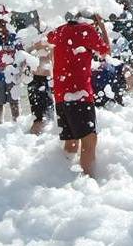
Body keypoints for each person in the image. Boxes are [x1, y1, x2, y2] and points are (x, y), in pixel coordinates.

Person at [47, 12, 111, 178]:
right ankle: (88, 180)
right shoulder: (87, 29)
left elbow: (47, 38)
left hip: (61, 94)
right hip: (79, 93)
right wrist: (102, 27)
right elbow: (106, 51)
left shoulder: (60, 31)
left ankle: (62, 176)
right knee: (89, 141)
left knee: (71, 141)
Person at [0, 16, 20, 123]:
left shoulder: (15, 38)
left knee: (14, 101)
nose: (1, 26)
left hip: (12, 75)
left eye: (3, 24)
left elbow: (22, 54)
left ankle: (16, 123)